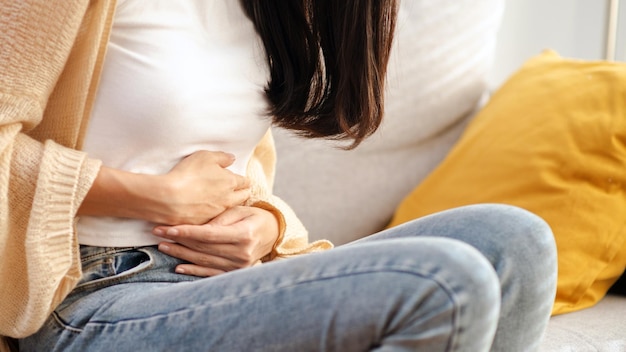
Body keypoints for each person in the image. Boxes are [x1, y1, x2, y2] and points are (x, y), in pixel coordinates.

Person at [0, 1, 557, 351]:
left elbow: (243, 178)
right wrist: (156, 198)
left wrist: (263, 226)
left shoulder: (272, 11)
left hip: (213, 284)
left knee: (516, 241)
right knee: (445, 281)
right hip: (89, 300)